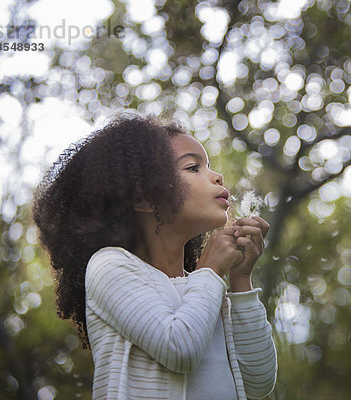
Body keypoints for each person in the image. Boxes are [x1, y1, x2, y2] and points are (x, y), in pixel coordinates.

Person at [32, 113, 277, 399]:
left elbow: (258, 382)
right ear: (143, 198)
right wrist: (210, 270)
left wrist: (240, 278)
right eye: (193, 167)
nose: (216, 176)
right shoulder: (109, 266)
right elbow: (179, 349)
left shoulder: (205, 291)